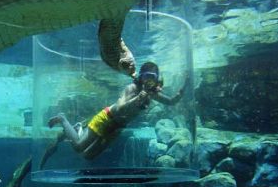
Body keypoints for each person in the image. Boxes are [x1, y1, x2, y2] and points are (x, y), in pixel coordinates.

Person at [42, 62, 187, 166]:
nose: (148, 80)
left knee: (88, 156)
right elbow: (118, 109)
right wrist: (138, 98)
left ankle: (79, 129)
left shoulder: (151, 94)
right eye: (146, 76)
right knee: (79, 146)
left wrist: (184, 87)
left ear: (156, 79)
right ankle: (63, 118)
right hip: (106, 119)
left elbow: (171, 101)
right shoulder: (132, 88)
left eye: (152, 77)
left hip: (116, 128)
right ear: (141, 77)